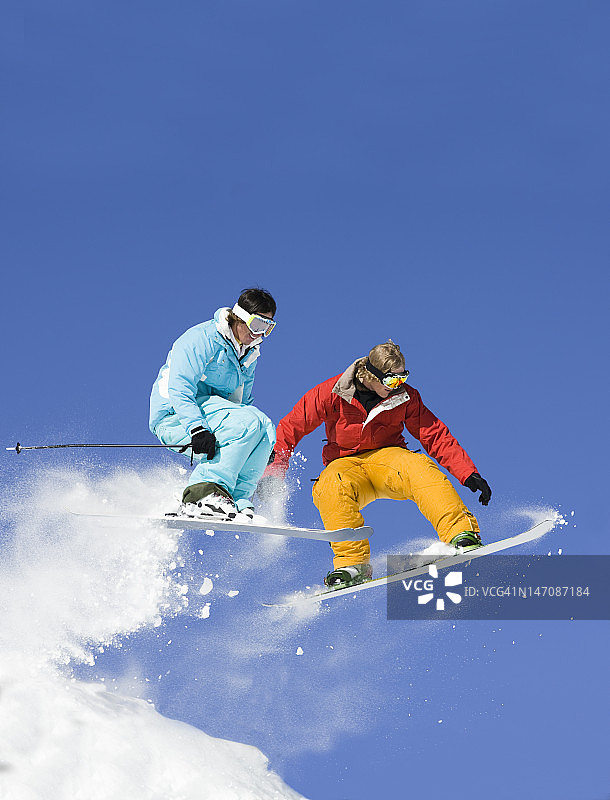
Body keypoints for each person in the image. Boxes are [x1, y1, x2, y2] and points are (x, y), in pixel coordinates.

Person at [262, 340, 491, 588]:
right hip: (345, 465)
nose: (398, 387)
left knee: (419, 467)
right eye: (392, 381)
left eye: (403, 378)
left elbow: (434, 434)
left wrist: (468, 473)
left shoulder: (406, 397)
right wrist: (273, 473)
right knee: (329, 485)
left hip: (388, 460)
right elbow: (291, 427)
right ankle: (352, 564)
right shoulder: (332, 392)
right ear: (370, 375)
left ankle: (460, 534)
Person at [149, 288, 277, 522]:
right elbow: (179, 387)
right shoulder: (202, 338)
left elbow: (242, 404)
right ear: (239, 317)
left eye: (267, 328)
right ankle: (202, 494)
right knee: (248, 424)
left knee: (266, 430)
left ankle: (236, 499)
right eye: (257, 325)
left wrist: (260, 444)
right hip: (176, 416)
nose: (259, 334)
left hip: (212, 416)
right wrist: (197, 428)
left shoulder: (248, 355)